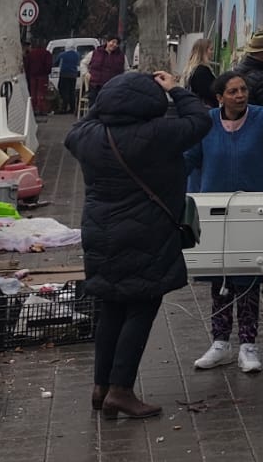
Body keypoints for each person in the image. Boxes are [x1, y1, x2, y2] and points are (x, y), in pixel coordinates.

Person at [64, 68, 211, 419]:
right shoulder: (159, 134)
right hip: (147, 233)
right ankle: (121, 390)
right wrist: (176, 88)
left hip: (100, 233)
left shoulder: (87, 135)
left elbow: (80, 125)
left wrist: (106, 101)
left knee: (111, 306)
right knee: (142, 305)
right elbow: (200, 119)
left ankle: (101, 388)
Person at [184, 72, 263, 374]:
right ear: (220, 97)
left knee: (249, 273)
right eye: (233, 91)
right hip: (214, 210)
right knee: (218, 275)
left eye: (243, 89)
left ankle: (248, 344)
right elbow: (188, 159)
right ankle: (220, 342)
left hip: (253, 210)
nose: (240, 95)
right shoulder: (207, 123)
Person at [185, 39, 221, 109]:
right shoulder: (202, 71)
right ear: (203, 52)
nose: (213, 52)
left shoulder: (193, 69)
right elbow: (208, 92)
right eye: (211, 49)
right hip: (205, 109)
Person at [22, 39, 53, 116]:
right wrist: (47, 72)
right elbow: (49, 65)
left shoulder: (31, 54)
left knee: (33, 93)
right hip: (42, 76)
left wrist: (28, 74)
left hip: (32, 76)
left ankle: (34, 109)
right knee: (41, 93)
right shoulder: (46, 53)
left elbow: (27, 65)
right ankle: (41, 109)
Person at [55, 43, 84, 115]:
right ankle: (72, 108)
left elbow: (56, 63)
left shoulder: (62, 54)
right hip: (73, 75)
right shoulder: (77, 54)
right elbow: (79, 62)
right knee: (72, 91)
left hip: (64, 74)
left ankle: (64, 108)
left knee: (63, 91)